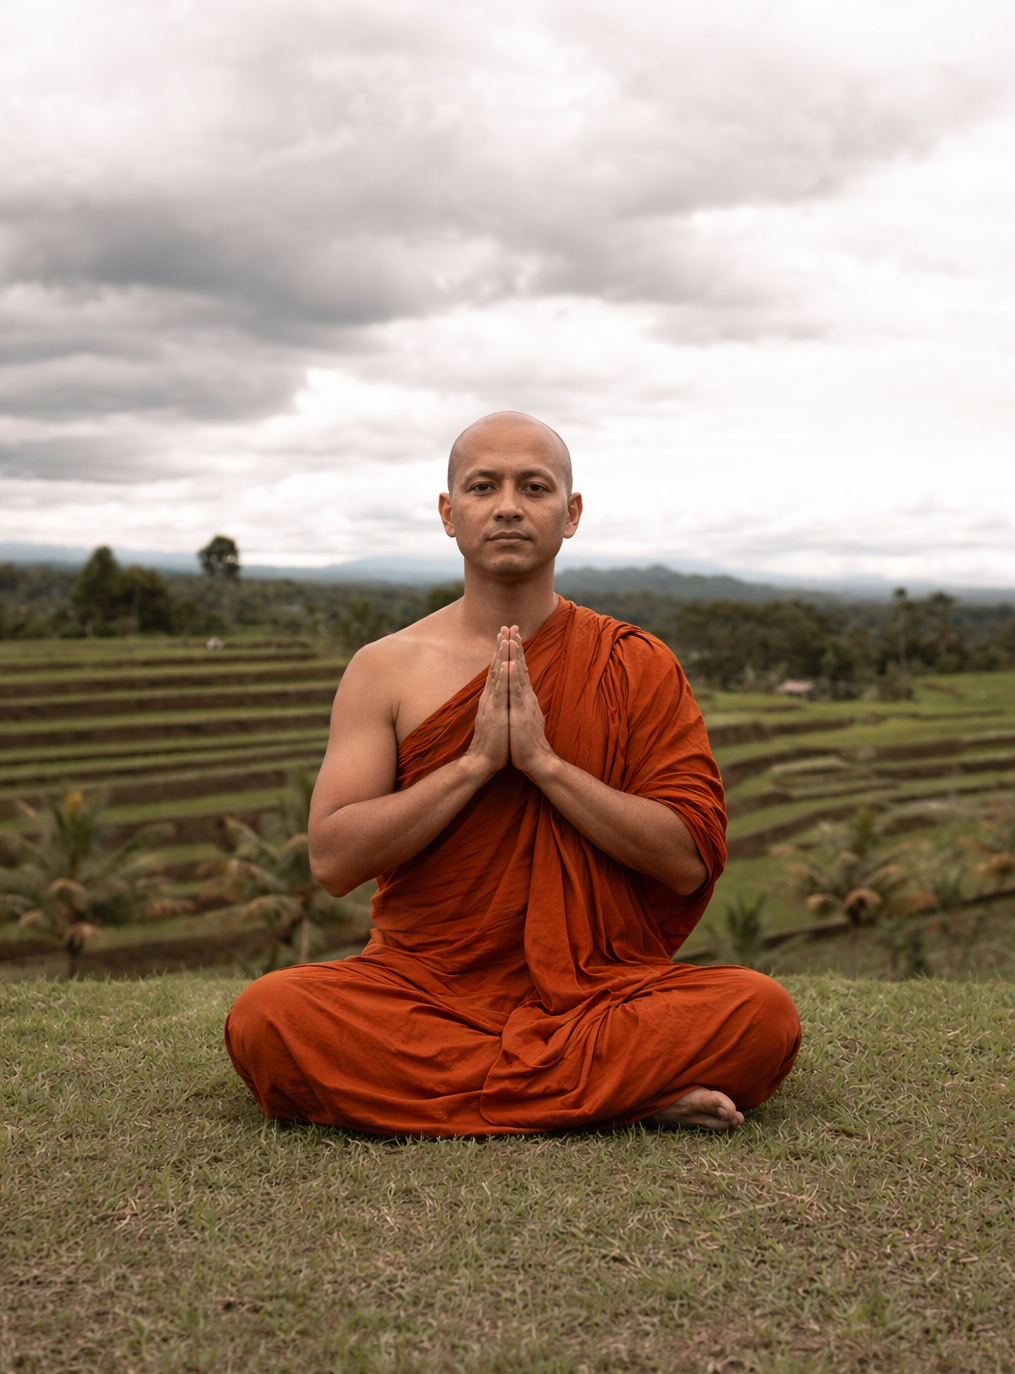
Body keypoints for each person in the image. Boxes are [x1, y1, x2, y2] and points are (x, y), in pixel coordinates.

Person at [225, 411, 800, 1135]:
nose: (506, 506)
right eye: (482, 486)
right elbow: (335, 857)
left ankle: (508, 1092)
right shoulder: (385, 668)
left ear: (571, 513)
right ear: (448, 512)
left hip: (601, 991)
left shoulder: (637, 664)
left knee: (763, 1015)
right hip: (422, 988)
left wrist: (545, 766)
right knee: (268, 1018)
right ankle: (618, 1096)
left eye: (534, 486)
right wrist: (472, 766)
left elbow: (686, 859)